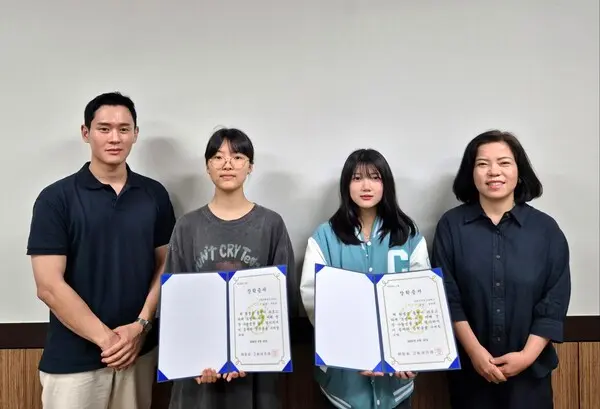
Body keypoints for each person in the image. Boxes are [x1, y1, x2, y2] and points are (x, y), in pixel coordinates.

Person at [26, 92, 176, 409]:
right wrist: (108, 341)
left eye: (124, 129)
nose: (114, 138)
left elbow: (166, 265)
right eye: (104, 128)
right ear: (86, 133)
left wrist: (140, 327)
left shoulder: (154, 194)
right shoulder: (56, 198)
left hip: (137, 354)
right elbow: (48, 286)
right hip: (72, 361)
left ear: (135, 134)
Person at [431, 130, 571, 409]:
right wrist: (475, 353)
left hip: (530, 375)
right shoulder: (451, 226)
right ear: (471, 173)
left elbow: (554, 301)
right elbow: (447, 297)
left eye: (504, 162)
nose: (493, 171)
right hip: (470, 374)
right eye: (483, 164)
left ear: (519, 171)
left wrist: (526, 357)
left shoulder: (546, 230)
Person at [165, 127, 296, 409]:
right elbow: (174, 303)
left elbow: (284, 300)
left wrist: (252, 356)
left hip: (257, 373)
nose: (227, 164)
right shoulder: (187, 227)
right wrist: (190, 360)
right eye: (217, 157)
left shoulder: (271, 224)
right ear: (207, 166)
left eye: (237, 157)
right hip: (199, 373)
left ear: (250, 166)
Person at [299, 148, 431, 409]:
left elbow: (423, 299)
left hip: (397, 380)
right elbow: (314, 300)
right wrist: (356, 349)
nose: (366, 186)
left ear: (386, 184)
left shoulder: (408, 235)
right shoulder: (325, 237)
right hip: (343, 381)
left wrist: (409, 353)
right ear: (346, 185)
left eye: (375, 177)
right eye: (357, 178)